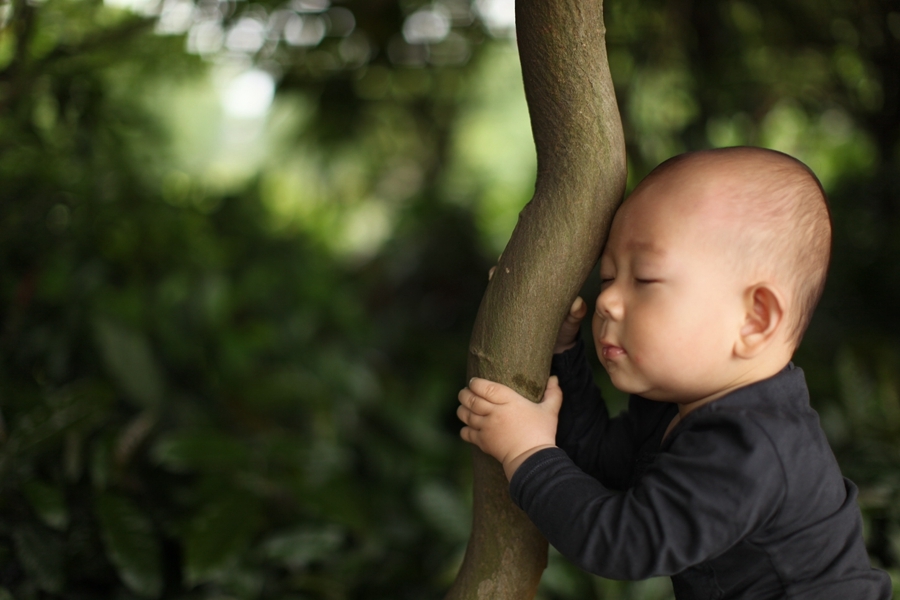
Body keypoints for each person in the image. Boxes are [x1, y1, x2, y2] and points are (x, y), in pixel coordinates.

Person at [456, 147, 892, 599]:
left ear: (754, 319)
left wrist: (526, 453)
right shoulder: (677, 406)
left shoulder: (753, 446)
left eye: (644, 279)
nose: (606, 302)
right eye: (608, 278)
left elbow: (624, 543)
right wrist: (562, 350)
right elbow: (601, 463)